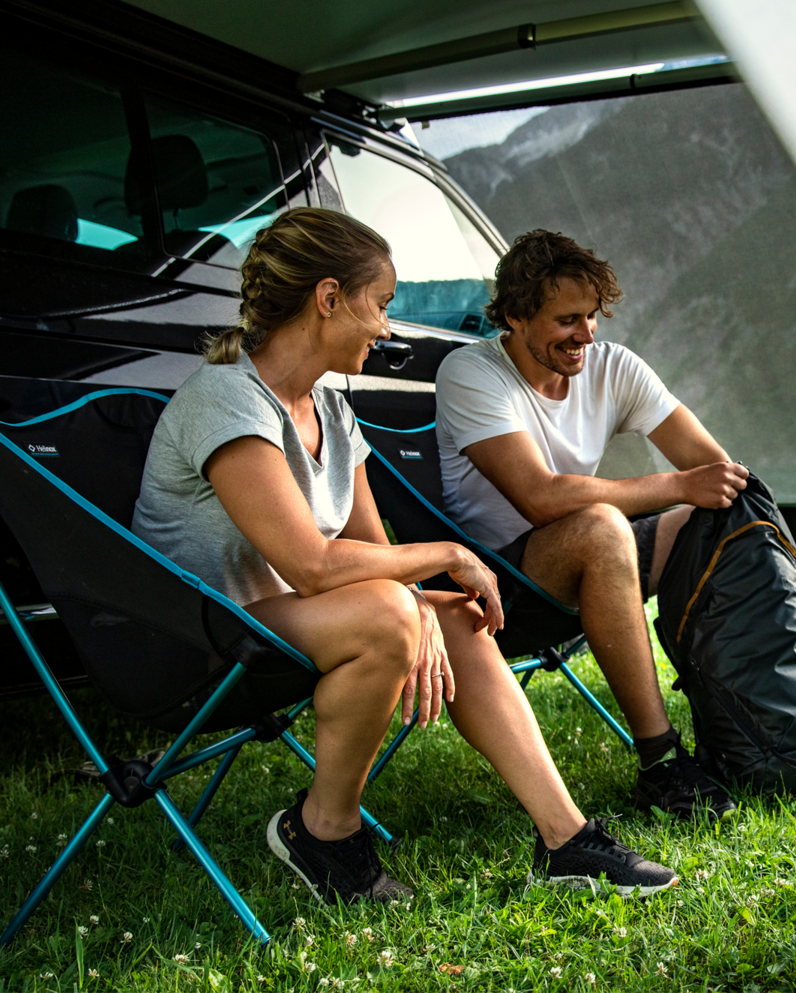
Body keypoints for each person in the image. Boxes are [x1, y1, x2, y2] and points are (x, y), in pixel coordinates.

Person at [131, 208, 676, 904]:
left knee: (454, 613)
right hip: (197, 637)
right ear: (329, 299)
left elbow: (369, 551)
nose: (387, 328)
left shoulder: (329, 408)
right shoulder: (226, 400)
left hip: (283, 620)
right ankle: (322, 831)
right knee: (398, 607)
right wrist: (444, 557)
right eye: (381, 304)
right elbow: (313, 566)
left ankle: (566, 839)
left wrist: (425, 598)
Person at [435, 229, 749, 821]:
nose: (585, 335)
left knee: (718, 519)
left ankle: (745, 720)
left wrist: (741, 506)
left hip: (585, 568)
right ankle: (661, 760)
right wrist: (679, 485)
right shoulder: (470, 373)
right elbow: (540, 497)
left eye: (592, 316)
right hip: (500, 588)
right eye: (566, 321)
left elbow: (714, 465)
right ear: (513, 317)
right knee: (603, 526)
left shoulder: (613, 368)